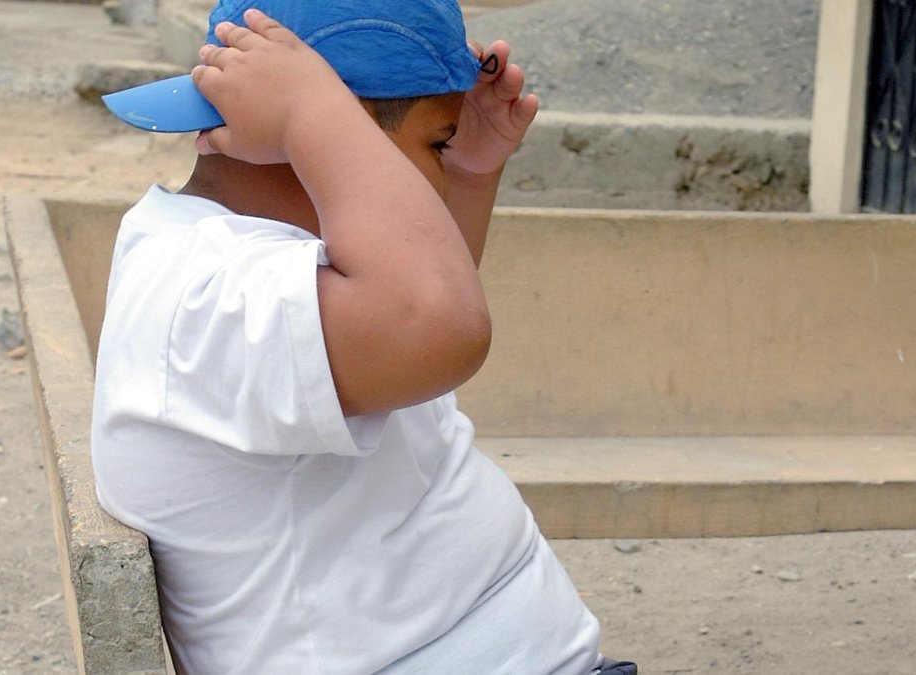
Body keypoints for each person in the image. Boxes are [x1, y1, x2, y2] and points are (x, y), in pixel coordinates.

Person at [92, 2, 636, 673]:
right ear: (312, 135)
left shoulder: (233, 261)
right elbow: (435, 323)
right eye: (439, 144)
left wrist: (465, 169)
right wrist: (313, 113)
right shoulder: (211, 295)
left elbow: (411, 308)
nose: (444, 167)